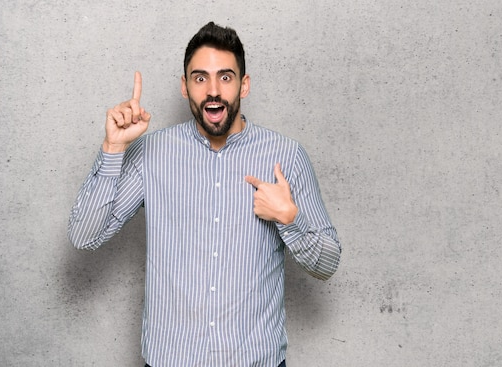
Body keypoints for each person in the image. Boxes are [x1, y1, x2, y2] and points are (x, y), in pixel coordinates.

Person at [68, 22, 341, 367]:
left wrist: (290, 220)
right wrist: (113, 148)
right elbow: (84, 236)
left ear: (245, 85)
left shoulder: (286, 156)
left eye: (225, 77)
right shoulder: (153, 153)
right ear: (185, 87)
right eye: (200, 78)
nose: (213, 90)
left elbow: (328, 263)